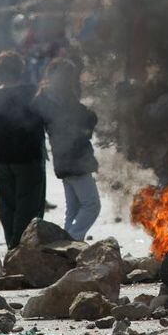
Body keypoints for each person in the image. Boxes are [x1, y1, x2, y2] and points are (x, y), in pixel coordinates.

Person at [0, 50, 47, 249]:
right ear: (21, 70)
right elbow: (47, 118)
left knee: (8, 208)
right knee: (29, 209)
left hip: (3, 160)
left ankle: (11, 249)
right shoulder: (32, 92)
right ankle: (19, 252)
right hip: (29, 160)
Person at [32, 58, 101, 241]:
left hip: (65, 157)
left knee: (74, 207)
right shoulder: (58, 99)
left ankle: (64, 244)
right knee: (91, 205)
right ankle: (71, 241)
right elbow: (82, 119)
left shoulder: (49, 97)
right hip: (75, 158)